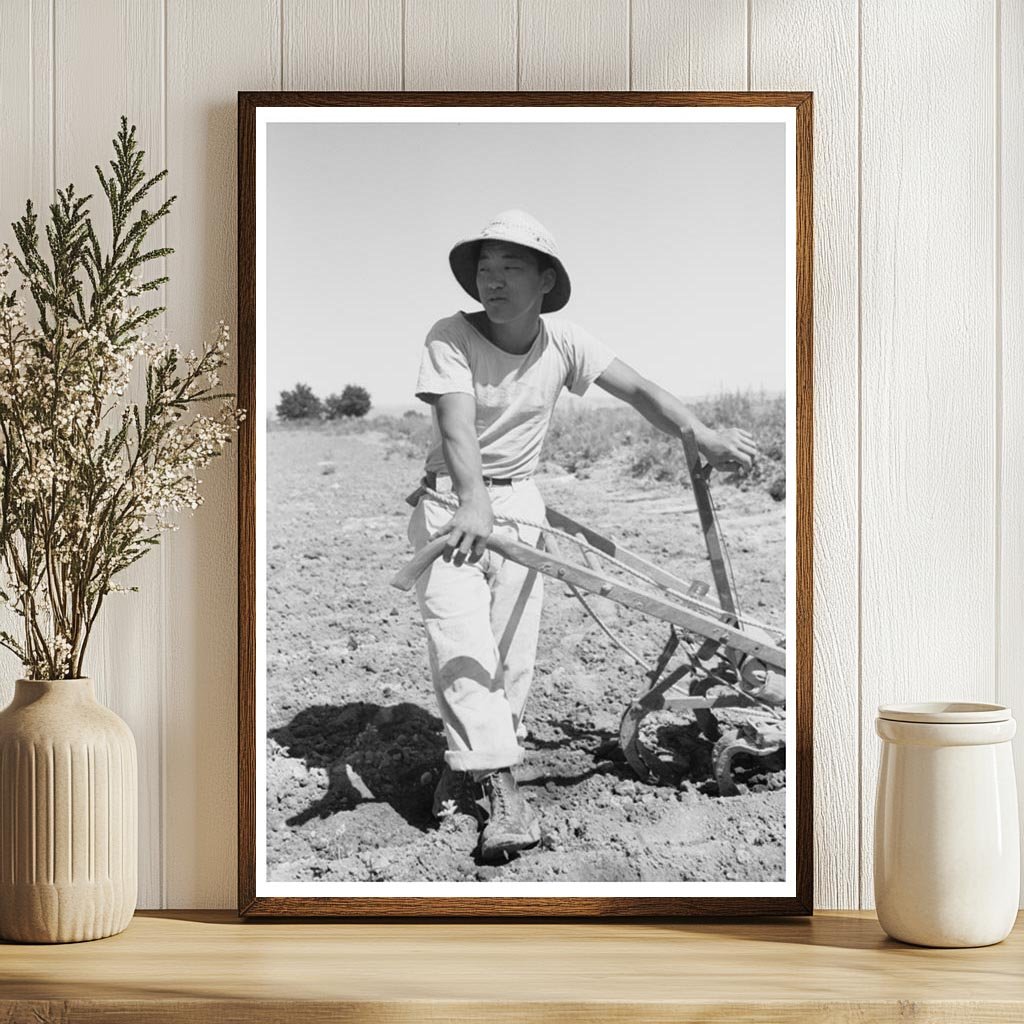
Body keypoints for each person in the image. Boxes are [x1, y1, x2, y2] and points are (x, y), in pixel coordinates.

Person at [406, 209, 758, 863]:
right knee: (462, 644)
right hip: (454, 507)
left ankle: (476, 761)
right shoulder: (450, 336)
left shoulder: (563, 341)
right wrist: (473, 505)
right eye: (485, 268)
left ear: (545, 281)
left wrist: (698, 432)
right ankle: (505, 793)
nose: (494, 281)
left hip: (520, 503)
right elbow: (456, 431)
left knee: (510, 654)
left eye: (511, 268)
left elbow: (641, 391)